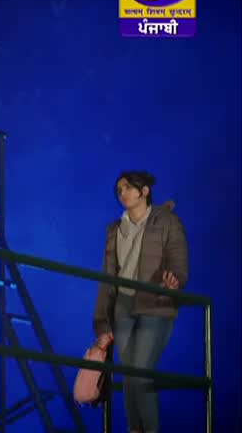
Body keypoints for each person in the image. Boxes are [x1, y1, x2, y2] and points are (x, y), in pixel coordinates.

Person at [92, 171, 188, 433]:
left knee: (140, 370)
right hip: (123, 304)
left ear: (144, 191)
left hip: (155, 302)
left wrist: (175, 281)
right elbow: (107, 278)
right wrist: (102, 324)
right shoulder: (115, 229)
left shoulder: (167, 221)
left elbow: (178, 259)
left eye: (127, 187)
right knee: (128, 373)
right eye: (119, 190)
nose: (122, 193)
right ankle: (135, 429)